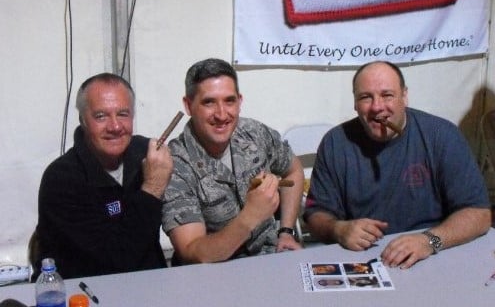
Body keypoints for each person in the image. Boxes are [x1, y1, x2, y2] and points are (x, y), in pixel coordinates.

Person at [304, 61, 491, 269]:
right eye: (366, 97)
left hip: (431, 253)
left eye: (387, 95)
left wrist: (429, 241)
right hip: (364, 261)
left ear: (404, 97)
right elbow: (315, 214)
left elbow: (479, 213)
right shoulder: (335, 143)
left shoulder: (441, 135)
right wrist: (338, 229)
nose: (377, 107)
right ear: (355, 104)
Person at [162, 58, 304, 264]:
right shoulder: (176, 164)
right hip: (215, 274)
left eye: (229, 101)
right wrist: (250, 217)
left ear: (240, 101)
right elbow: (193, 252)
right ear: (188, 105)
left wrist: (286, 231)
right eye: (209, 102)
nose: (222, 114)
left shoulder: (253, 133)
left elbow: (294, 171)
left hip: (269, 260)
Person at [32, 73, 173, 279]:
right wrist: (152, 188)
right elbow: (115, 262)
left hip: (150, 285)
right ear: (83, 121)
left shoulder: (147, 154)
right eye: (101, 116)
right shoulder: (61, 179)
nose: (115, 127)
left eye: (123, 114)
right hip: (85, 291)